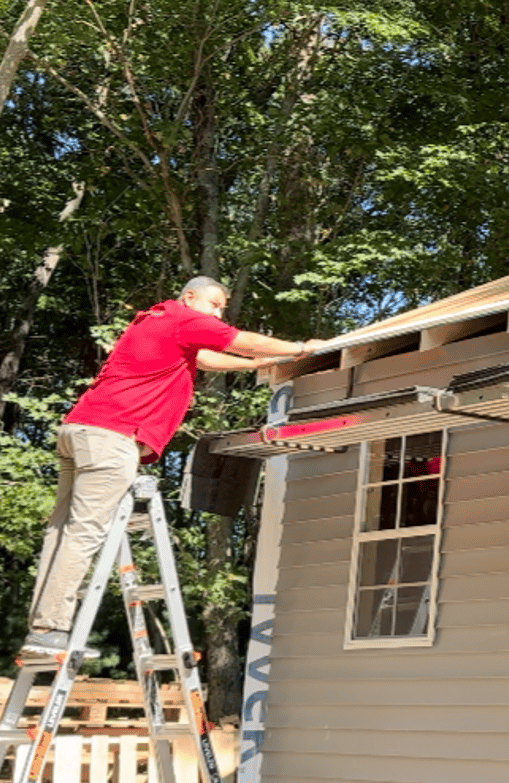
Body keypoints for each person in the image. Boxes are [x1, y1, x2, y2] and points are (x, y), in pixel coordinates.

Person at [23, 276, 322, 655]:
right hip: (113, 438)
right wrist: (299, 349)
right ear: (190, 296)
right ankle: (51, 626)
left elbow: (207, 358)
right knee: (85, 533)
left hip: (80, 428)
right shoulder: (183, 318)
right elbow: (239, 339)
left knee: (62, 529)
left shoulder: (155, 321)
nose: (218, 313)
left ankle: (40, 626)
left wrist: (261, 363)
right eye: (214, 304)